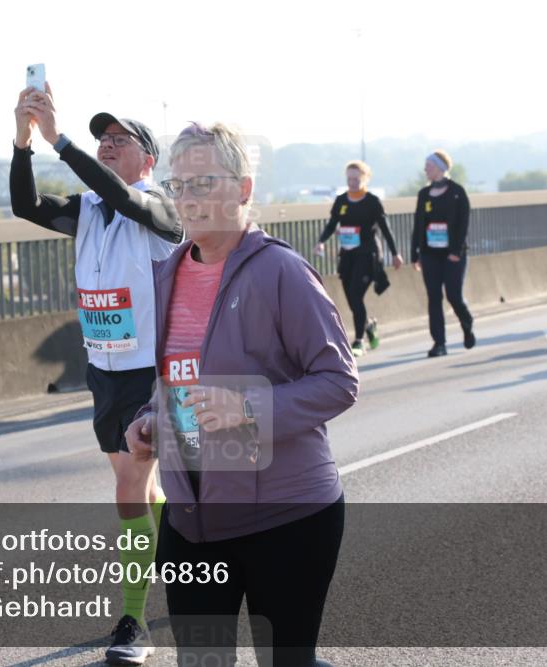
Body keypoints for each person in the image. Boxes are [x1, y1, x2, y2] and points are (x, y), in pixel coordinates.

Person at [125, 122, 358, 666]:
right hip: (191, 523)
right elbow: (174, 380)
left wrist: (248, 407)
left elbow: (339, 380)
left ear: (244, 189)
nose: (188, 199)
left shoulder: (282, 272)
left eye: (204, 183)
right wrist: (148, 421)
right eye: (179, 186)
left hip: (287, 518)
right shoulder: (165, 276)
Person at [9, 82, 183, 664]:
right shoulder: (87, 210)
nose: (107, 144)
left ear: (147, 159)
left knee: (130, 487)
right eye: (101, 138)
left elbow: (123, 198)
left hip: (150, 372)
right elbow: (26, 205)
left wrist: (60, 140)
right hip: (103, 370)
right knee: (142, 488)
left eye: (119, 139)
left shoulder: (161, 209)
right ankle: (184, 555)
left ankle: (134, 621)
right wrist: (24, 142)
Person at [314, 160, 403, 356]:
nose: (352, 182)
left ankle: (359, 340)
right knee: (351, 299)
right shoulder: (341, 201)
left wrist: (395, 253)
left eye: (356, 179)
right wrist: (321, 241)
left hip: (368, 254)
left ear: (365, 179)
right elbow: (332, 224)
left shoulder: (372, 202)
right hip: (348, 255)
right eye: (349, 179)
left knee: (356, 295)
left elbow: (385, 229)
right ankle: (369, 325)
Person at [411, 150, 476, 357]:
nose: (425, 170)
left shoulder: (457, 192)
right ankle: (439, 343)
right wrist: (415, 253)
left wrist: (456, 251)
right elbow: (418, 225)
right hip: (430, 254)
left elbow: (463, 223)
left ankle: (466, 322)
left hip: (453, 254)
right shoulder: (424, 194)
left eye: (429, 166)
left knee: (453, 295)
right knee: (434, 297)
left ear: (440, 168)